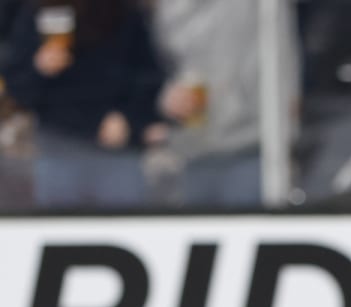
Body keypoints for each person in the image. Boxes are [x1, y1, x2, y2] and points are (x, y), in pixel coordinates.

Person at [0, 0, 165, 208]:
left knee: (123, 223)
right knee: (60, 229)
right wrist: (39, 68)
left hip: (117, 147)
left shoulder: (125, 12)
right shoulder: (37, 11)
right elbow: (17, 87)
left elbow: (151, 75)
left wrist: (129, 118)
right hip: (59, 145)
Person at [150, 0, 300, 208]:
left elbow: (282, 55)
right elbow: (154, 68)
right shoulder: (168, 10)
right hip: (190, 151)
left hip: (253, 144)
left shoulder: (259, 7)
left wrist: (286, 126)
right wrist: (163, 99)